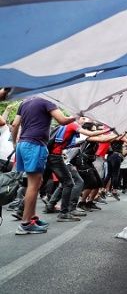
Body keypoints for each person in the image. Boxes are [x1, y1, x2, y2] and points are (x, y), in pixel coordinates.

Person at [11, 97, 75, 234]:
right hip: (35, 144)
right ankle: (25, 224)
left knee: (36, 182)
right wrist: (77, 115)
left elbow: (15, 124)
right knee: (33, 185)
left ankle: (32, 218)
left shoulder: (24, 102)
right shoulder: (47, 101)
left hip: (23, 144)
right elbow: (62, 120)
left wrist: (15, 144)